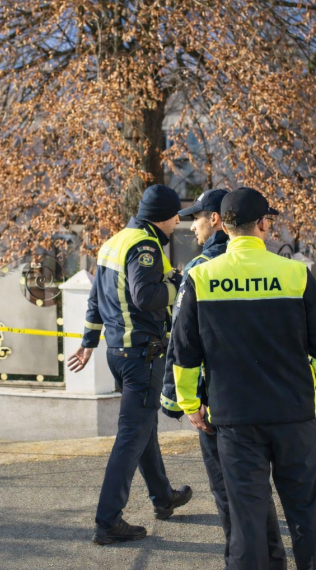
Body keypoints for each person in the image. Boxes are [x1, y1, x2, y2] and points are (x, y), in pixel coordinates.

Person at [171, 187, 316, 570]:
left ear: (224, 225)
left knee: (246, 519)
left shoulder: (202, 276)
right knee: (307, 512)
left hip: (235, 418)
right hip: (295, 411)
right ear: (263, 224)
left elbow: (184, 351)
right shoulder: (296, 273)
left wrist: (189, 404)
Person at [160, 188, 287, 570]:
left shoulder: (203, 267)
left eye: (197, 217)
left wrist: (176, 399)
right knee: (256, 489)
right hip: (266, 398)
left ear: (217, 219)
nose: (193, 225)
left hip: (215, 401)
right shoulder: (271, 263)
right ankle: (271, 559)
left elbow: (183, 342)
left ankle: (242, 560)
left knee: (229, 491)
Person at [67, 184, 193, 546]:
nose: (176, 225)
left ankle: (163, 497)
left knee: (143, 428)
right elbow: (145, 296)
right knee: (131, 436)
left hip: (118, 354)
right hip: (142, 354)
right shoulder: (145, 245)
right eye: (175, 218)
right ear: (165, 218)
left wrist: (88, 342)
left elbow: (94, 299)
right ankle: (108, 521)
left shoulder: (113, 242)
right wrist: (177, 284)